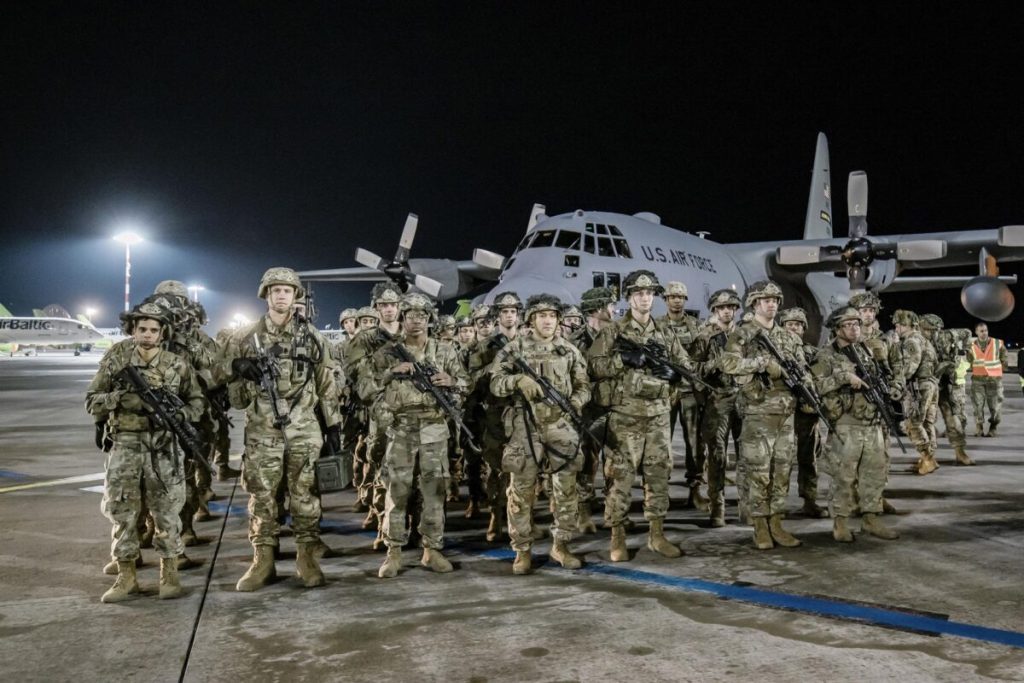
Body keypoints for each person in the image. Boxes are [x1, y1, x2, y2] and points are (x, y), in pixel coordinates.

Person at [221, 267, 341, 591]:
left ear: (295, 296)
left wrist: (333, 426)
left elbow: (327, 383)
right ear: (266, 295)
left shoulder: (312, 336)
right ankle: (263, 560)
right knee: (262, 496)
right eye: (276, 290)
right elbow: (216, 372)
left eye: (288, 291)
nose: (282, 296)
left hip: (304, 429)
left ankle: (306, 557)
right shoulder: (245, 336)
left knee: (305, 495)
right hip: (263, 431)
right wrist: (236, 367)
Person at [86, 302, 205, 602]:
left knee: (167, 511)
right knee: (122, 512)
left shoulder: (177, 364)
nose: (148, 334)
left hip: (164, 448)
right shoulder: (116, 359)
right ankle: (126, 577)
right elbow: (92, 400)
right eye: (142, 329)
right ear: (133, 330)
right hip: (126, 445)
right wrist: (120, 399)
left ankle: (170, 574)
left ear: (162, 333)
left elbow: (197, 401)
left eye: (154, 329)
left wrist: (179, 415)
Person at [362, 293, 468, 578]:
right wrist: (391, 372)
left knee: (434, 492)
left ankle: (432, 549)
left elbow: (466, 383)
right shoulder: (387, 353)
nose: (417, 321)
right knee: (397, 492)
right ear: (402, 318)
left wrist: (453, 381)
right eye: (410, 316)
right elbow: (366, 389)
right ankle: (393, 551)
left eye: (422, 316)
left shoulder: (445, 351)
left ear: (429, 319)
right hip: (401, 428)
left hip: (434, 428)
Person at [589, 270, 691, 561]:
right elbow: (593, 366)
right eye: (638, 293)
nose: (644, 298)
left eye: (648, 293)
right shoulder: (613, 331)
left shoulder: (664, 332)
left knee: (658, 476)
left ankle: (656, 534)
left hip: (658, 416)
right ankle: (617, 536)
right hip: (625, 417)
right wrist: (622, 359)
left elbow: (686, 366)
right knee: (620, 479)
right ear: (629, 297)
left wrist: (674, 374)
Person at [490, 295, 591, 573]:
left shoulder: (568, 350)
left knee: (566, 489)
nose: (548, 321)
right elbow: (495, 383)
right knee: (521, 492)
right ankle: (522, 550)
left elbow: (584, 386)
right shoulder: (514, 349)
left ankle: (561, 545)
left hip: (561, 425)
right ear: (531, 320)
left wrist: (575, 403)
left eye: (552, 316)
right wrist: (517, 380)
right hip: (526, 426)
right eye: (542, 316)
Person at [720, 280, 806, 550]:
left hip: (785, 415)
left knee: (782, 471)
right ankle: (759, 525)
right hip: (758, 413)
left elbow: (802, 370)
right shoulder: (743, 334)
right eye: (765, 300)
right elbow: (728, 363)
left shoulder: (788, 337)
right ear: (755, 304)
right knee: (758, 472)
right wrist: (762, 363)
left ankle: (776, 522)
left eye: (775, 301)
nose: (771, 305)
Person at [812, 307, 899, 543]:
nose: (854, 329)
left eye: (856, 324)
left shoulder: (866, 350)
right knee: (843, 475)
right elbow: (816, 386)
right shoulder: (826, 355)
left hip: (872, 422)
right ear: (837, 329)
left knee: (874, 474)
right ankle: (840, 522)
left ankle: (870, 518)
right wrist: (843, 378)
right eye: (848, 325)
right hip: (846, 423)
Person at [467, 292, 524, 541]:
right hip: (495, 413)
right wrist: (496, 366)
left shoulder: (528, 343)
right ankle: (496, 515)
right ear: (497, 316)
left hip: (522, 412)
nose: (509, 316)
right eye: (504, 312)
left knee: (524, 468)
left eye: (513, 311)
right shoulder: (483, 347)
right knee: (496, 466)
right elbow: (471, 381)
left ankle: (521, 519)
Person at [569, 286, 619, 534]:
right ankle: (583, 511)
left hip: (615, 406)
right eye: (610, 306)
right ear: (598, 309)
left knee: (617, 461)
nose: (614, 310)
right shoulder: (576, 341)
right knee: (587, 462)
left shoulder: (618, 336)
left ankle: (613, 511)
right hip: (588, 410)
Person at [691, 288, 742, 527]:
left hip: (742, 399)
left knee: (747, 454)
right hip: (717, 400)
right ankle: (717, 507)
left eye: (731, 307)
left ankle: (747, 504)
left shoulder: (744, 335)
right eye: (722, 308)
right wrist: (715, 364)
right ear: (715, 310)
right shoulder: (705, 337)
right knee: (717, 455)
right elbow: (693, 369)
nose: (727, 311)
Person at [658, 281, 707, 511]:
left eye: (680, 297)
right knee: (661, 443)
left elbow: (702, 356)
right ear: (666, 300)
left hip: (689, 392)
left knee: (695, 443)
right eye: (673, 297)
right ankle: (660, 491)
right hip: (665, 391)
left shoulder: (696, 326)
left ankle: (695, 489)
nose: (677, 301)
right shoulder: (657, 326)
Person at [778, 306, 826, 518]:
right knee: (782, 460)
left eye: (798, 325)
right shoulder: (776, 352)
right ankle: (778, 503)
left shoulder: (812, 353)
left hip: (807, 414)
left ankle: (810, 500)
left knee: (809, 459)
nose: (793, 328)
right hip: (783, 412)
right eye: (789, 324)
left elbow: (822, 379)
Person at [919, 314, 974, 465]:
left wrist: (965, 349)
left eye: (936, 330)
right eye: (928, 330)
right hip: (927, 385)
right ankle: (927, 456)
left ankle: (960, 452)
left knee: (953, 418)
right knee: (926, 422)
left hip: (946, 384)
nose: (933, 333)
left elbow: (967, 332)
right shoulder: (917, 341)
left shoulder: (948, 335)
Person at [893, 309, 940, 475]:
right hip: (930, 384)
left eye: (898, 325)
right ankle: (928, 458)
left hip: (919, 387)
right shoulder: (923, 339)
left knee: (913, 423)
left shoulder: (911, 341)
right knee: (927, 423)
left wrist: (898, 382)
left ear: (906, 325)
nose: (896, 328)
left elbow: (911, 366)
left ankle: (927, 459)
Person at [969, 322, 1007, 437]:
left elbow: (1004, 359)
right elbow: (970, 360)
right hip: (978, 379)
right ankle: (979, 426)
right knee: (977, 404)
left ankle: (993, 426)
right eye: (981, 331)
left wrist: (999, 372)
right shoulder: (971, 345)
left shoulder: (997, 343)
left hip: (994, 380)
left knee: (995, 405)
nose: (984, 333)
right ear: (976, 332)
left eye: (985, 330)